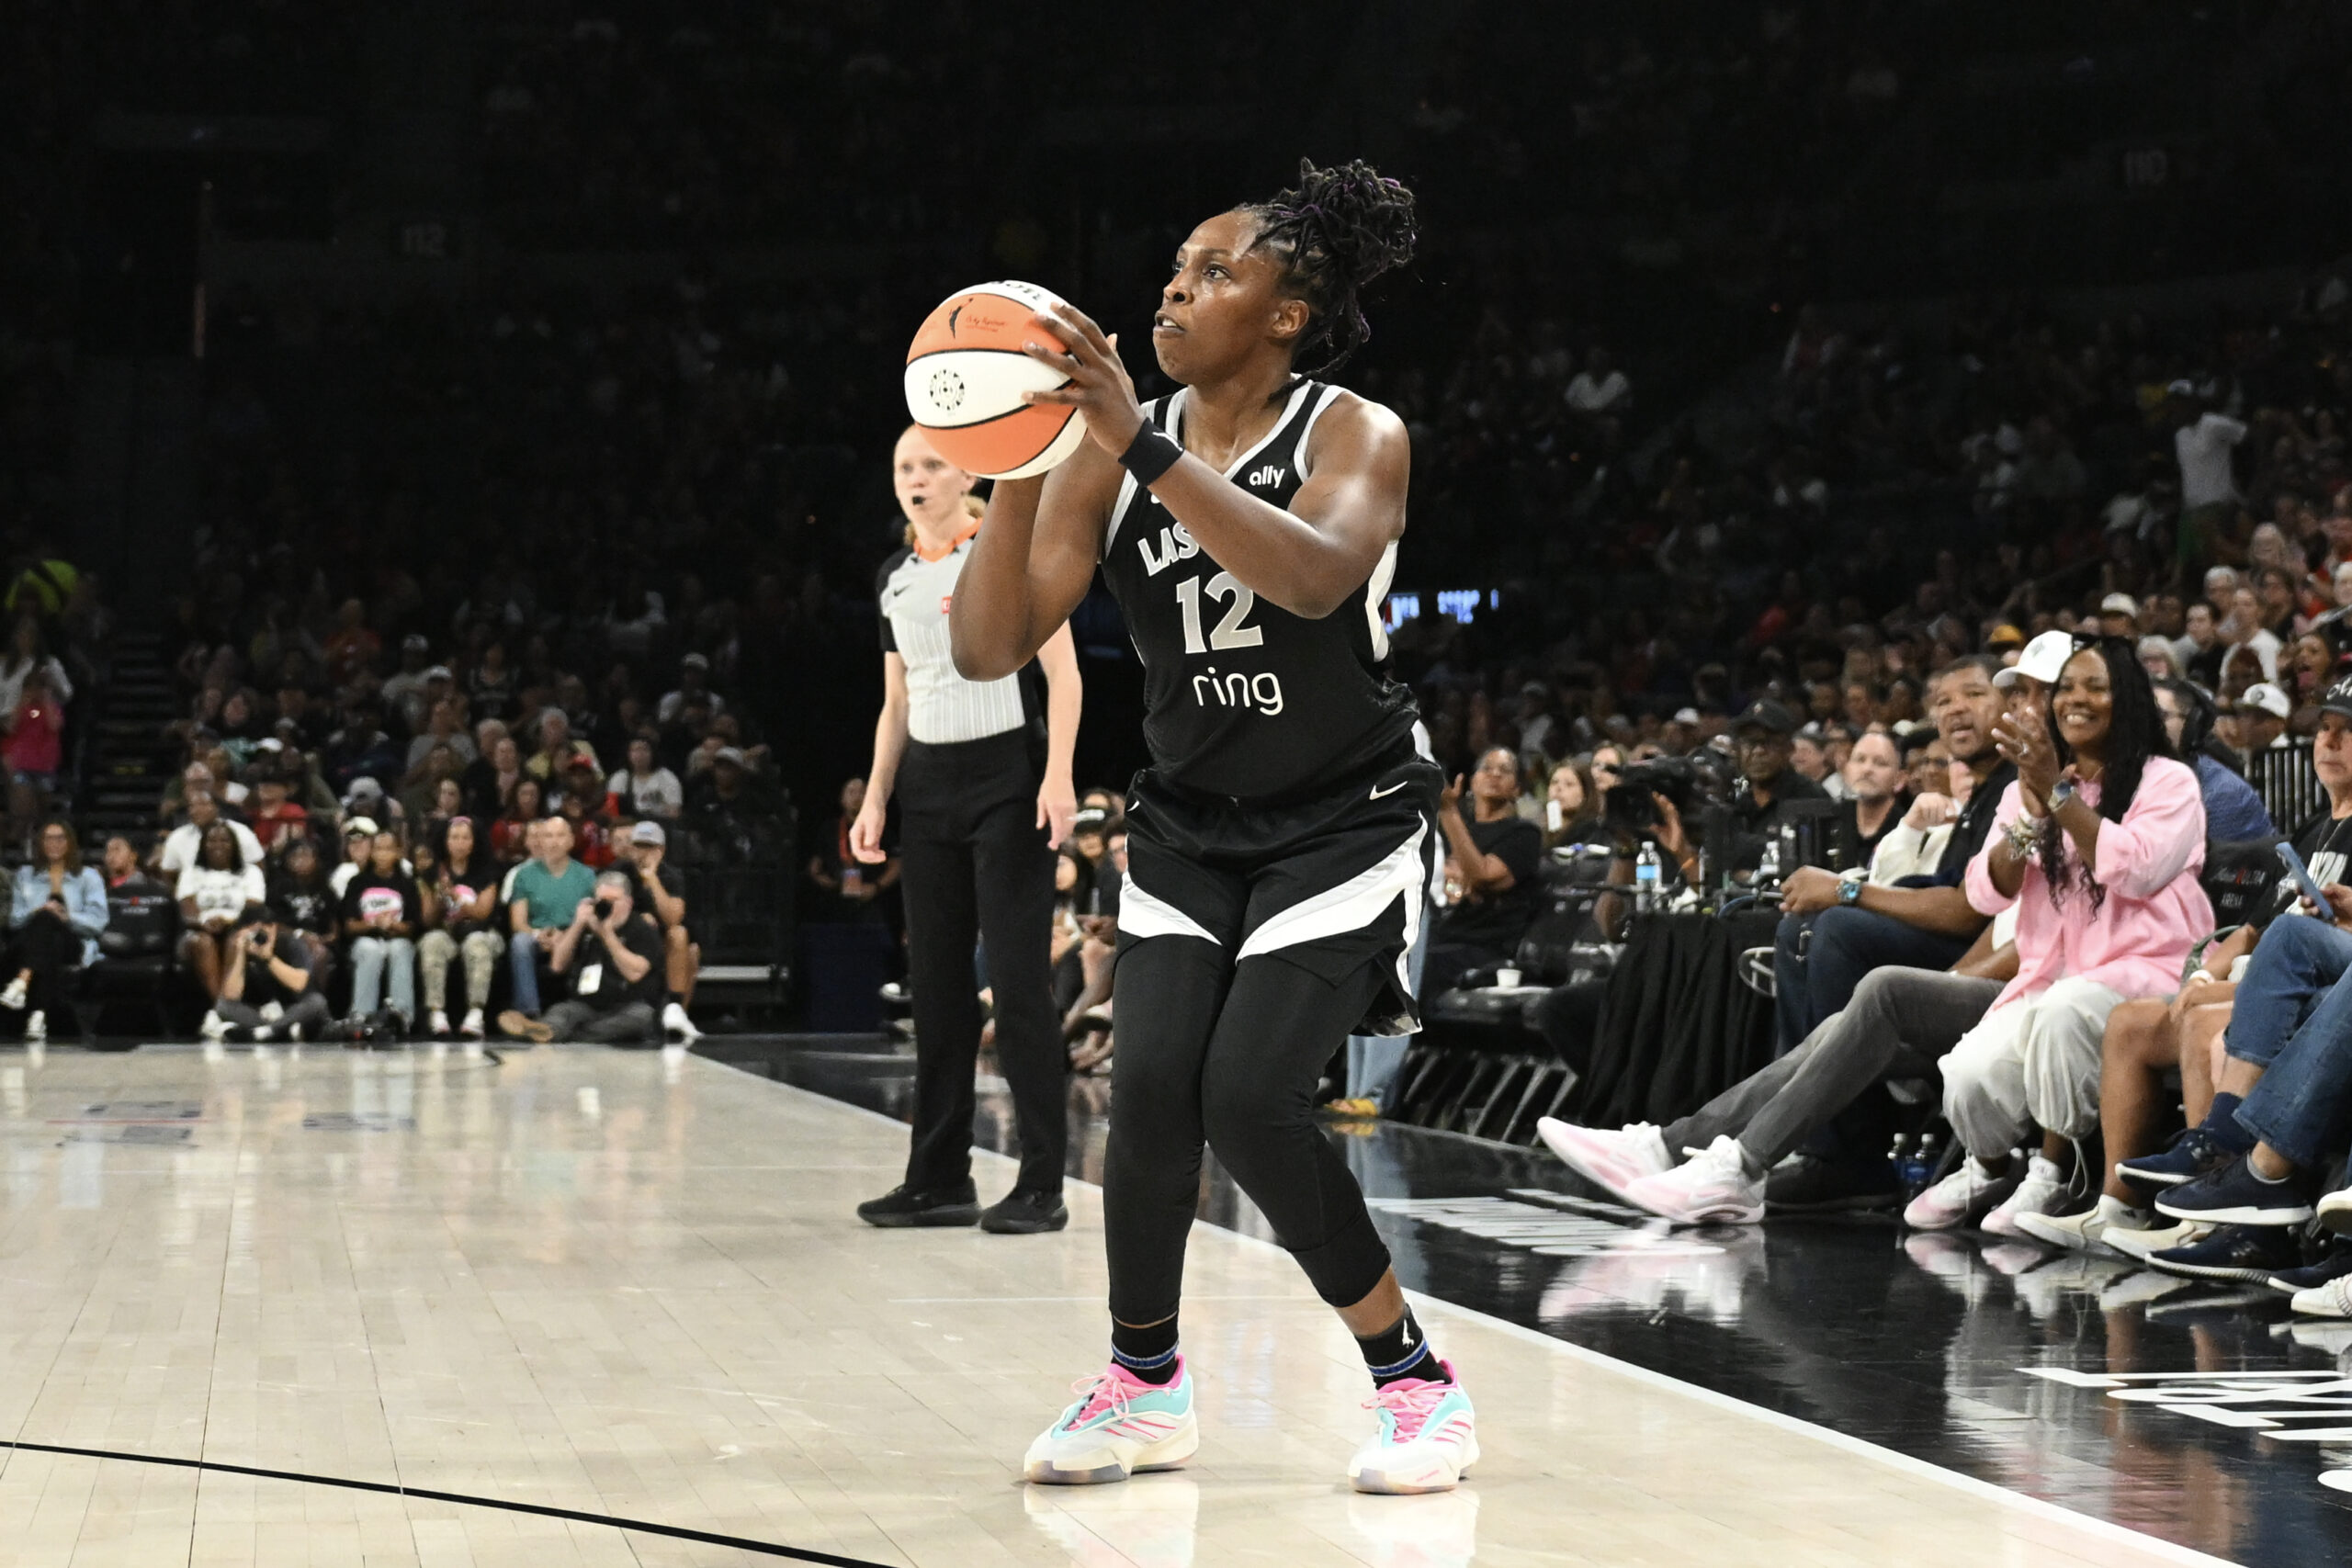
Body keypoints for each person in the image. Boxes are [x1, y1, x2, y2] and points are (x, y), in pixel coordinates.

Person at [950, 161, 1476, 1492]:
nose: (1177, 289)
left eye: (1216, 270)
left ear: (1289, 312)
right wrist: (1025, 457)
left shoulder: (1357, 430)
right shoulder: (1112, 454)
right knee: (1148, 1087)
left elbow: (1308, 578)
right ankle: (1143, 1383)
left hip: (1345, 816)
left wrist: (1137, 444)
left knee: (1251, 1096)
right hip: (1192, 817)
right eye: (1174, 269)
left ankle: (1415, 1381)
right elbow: (990, 642)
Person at [848, 423, 1084, 1240]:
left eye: (931, 465)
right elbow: (898, 701)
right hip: (929, 786)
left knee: (1019, 987)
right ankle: (939, 1178)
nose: (915, 478)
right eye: (903, 465)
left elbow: (1065, 675)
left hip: (1006, 780)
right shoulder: (894, 577)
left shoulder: (1005, 551)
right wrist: (877, 796)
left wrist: (1058, 777)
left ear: (964, 477)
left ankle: (1043, 1182)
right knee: (938, 990)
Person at [1905, 636, 2211, 1234]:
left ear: (2125, 699)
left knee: (2066, 1010)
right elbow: (1985, 890)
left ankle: (2057, 1171)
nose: (2075, 699)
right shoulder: (2032, 784)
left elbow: (2134, 866)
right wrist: (2034, 812)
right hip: (2053, 971)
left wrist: (2059, 795)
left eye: (2094, 686)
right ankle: (1989, 1165)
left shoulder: (2167, 781)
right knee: (1967, 1073)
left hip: (2148, 971)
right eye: (2066, 688)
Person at [1540, 918, 2017, 1223]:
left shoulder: (2070, 817)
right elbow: (2003, 927)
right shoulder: (2035, 815)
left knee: (1885, 988)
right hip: (2006, 985)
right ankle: (1670, 1146)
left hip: (2044, 996)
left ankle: (1742, 1166)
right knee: (1839, 1023)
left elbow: (2039, 949)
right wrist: (1939, 993)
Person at [1770, 654, 2020, 1054]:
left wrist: (1844, 891)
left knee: (1837, 927)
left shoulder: (2020, 784)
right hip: (1953, 939)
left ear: (2013, 704)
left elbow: (1967, 912)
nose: (1955, 708)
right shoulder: (1982, 791)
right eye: (1943, 702)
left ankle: (1843, 1103)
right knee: (1797, 927)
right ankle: (1801, 1094)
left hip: (1985, 956)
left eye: (1973, 694)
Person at [1422, 746, 1543, 996]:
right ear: (1472, 780)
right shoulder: (1456, 832)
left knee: (1420, 967)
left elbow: (1483, 875)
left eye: (1505, 771)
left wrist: (1447, 810)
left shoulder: (1523, 834)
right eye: (1486, 768)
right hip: (1442, 938)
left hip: (1485, 949)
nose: (1494, 774)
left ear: (1518, 788)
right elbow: (1446, 887)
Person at [497, 868, 664, 1044]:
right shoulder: (587, 925)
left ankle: (557, 1033)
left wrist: (607, 935)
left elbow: (635, 973)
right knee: (562, 1011)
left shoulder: (642, 928)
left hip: (627, 1004)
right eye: (601, 901)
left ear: (628, 902)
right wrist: (577, 924)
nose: (606, 906)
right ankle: (547, 1029)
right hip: (586, 1005)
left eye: (612, 901)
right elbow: (557, 965)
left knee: (642, 1017)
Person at [0, 818, 107, 1043]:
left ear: (70, 843)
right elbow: (14, 920)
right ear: (40, 843)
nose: (54, 843)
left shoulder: (88, 877)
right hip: (31, 941)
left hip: (73, 941)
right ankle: (38, 1016)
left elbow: (98, 921)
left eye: (60, 838)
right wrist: (37, 911)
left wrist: (67, 917)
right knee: (48, 932)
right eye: (49, 838)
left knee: (52, 927)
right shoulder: (25, 875)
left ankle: (22, 981)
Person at [2152, 677, 2275, 840]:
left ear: (2192, 725)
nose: (2146, 724)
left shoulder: (2224, 792)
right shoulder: (2135, 778)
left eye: (2159, 715)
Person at [419, 815, 503, 1038]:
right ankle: (437, 1013)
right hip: (447, 933)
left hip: (481, 932)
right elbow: (428, 920)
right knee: (432, 942)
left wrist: (456, 897)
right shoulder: (431, 874)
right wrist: (440, 896)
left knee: (477, 945)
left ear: (474, 842)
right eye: (454, 837)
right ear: (445, 841)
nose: (459, 842)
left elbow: (482, 913)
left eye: (466, 837)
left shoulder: (487, 873)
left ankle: (475, 1013)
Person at [506, 816, 595, 1018]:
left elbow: (592, 918)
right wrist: (539, 935)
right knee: (520, 942)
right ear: (541, 841)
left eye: (560, 835)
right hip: (538, 935)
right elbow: (518, 922)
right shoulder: (524, 875)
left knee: (594, 941)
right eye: (548, 836)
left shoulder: (587, 876)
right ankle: (529, 1013)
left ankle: (588, 1009)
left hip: (576, 935)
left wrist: (566, 936)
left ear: (571, 840)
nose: (554, 841)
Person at [620, 820, 700, 1040]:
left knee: (685, 943)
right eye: (638, 846)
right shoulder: (620, 871)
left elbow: (673, 918)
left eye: (649, 847)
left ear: (661, 851)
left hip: (660, 943)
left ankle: (676, 1013)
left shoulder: (671, 876)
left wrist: (652, 878)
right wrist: (638, 918)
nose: (643, 852)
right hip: (628, 941)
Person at [178, 822, 267, 1005]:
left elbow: (253, 908)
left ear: (234, 845)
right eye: (211, 840)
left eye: (224, 840)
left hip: (240, 928)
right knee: (204, 942)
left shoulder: (251, 872)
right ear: (203, 845)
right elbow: (186, 910)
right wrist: (204, 923)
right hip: (199, 931)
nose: (218, 845)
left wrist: (228, 921)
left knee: (236, 940)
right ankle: (223, 1008)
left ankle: (224, 1010)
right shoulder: (190, 873)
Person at [341, 829, 423, 1030]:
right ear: (372, 852)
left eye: (388, 849)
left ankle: (402, 1015)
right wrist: (373, 923)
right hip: (366, 938)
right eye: (378, 849)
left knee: (400, 949)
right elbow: (349, 925)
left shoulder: (407, 884)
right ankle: (361, 1015)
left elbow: (413, 926)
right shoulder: (358, 882)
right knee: (370, 950)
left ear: (397, 852)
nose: (383, 854)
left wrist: (395, 925)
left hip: (397, 937)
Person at [209, 911, 332, 1043]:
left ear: (274, 927)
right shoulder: (241, 949)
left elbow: (298, 984)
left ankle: (266, 1032)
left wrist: (268, 958)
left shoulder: (292, 944)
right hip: (263, 1012)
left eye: (264, 928)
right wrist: (240, 954)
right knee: (223, 1005)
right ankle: (280, 1031)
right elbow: (231, 995)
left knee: (317, 1002)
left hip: (294, 1009)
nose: (260, 935)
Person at [155, 790, 263, 878]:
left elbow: (258, 867)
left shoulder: (241, 832)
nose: (196, 810)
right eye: (191, 806)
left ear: (216, 808)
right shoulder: (177, 837)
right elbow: (168, 872)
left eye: (202, 804)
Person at [606, 734, 683, 821]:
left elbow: (674, 812)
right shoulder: (619, 778)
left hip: (660, 824)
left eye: (645, 750)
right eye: (635, 750)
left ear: (653, 754)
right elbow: (612, 811)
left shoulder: (666, 777)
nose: (640, 755)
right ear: (628, 754)